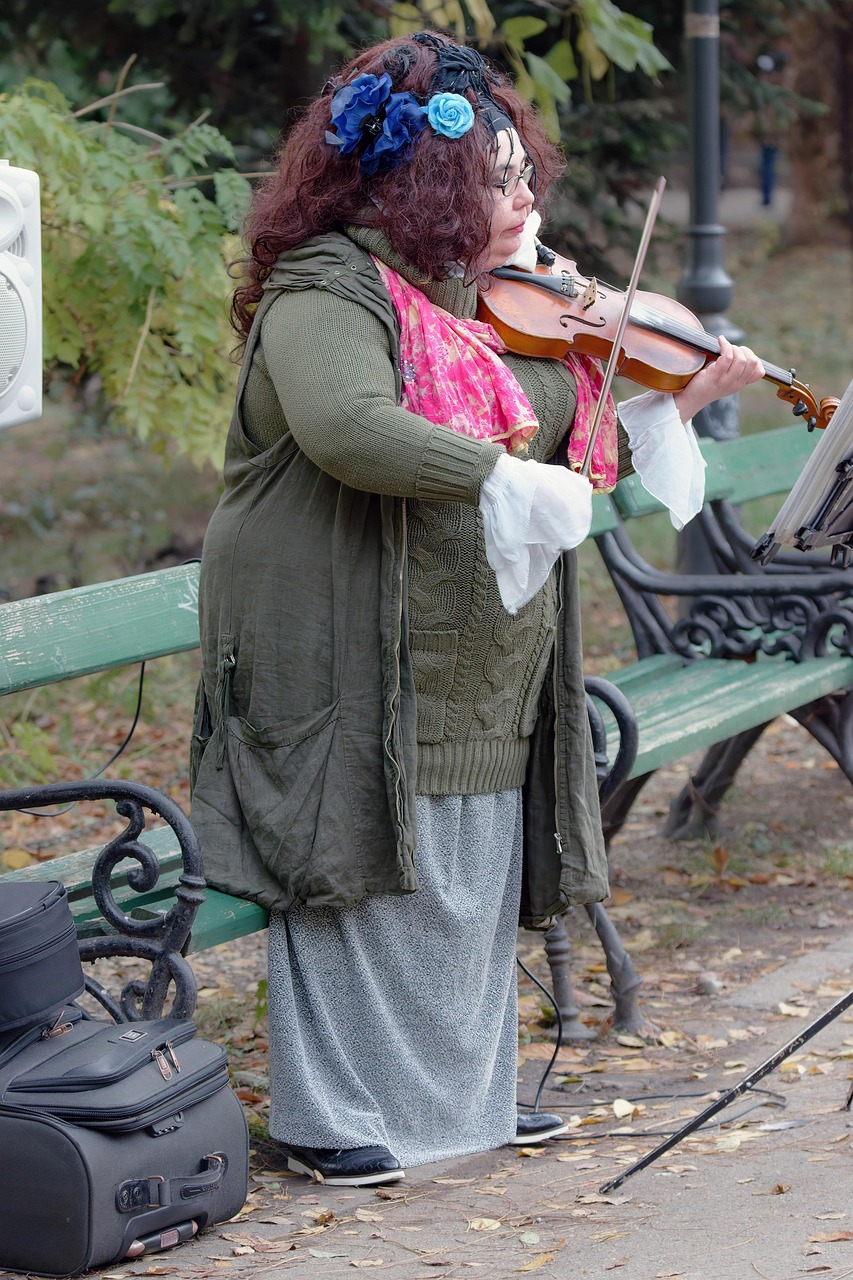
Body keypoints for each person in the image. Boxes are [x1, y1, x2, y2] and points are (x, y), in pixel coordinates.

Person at [189, 31, 763, 1189]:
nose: (522, 200)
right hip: (340, 638)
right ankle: (329, 1112)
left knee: (462, 868)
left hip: (468, 650)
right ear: (417, 183)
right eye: (491, 181)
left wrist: (659, 404)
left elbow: (558, 444)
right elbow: (349, 426)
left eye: (520, 176)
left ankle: (462, 1099)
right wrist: (502, 477)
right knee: (356, 855)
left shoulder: (488, 298)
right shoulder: (327, 286)